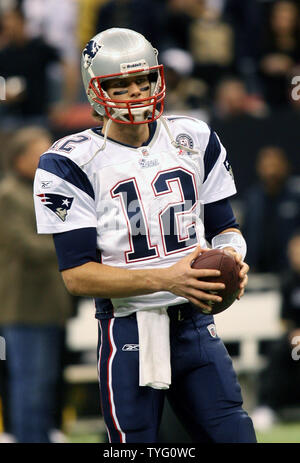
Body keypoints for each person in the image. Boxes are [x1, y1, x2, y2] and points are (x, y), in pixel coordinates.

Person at [33, 27, 256, 443]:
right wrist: (166, 278)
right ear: (96, 91)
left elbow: (226, 227)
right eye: (120, 84)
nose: (137, 92)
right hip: (128, 328)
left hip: (195, 325)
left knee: (237, 436)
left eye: (144, 80)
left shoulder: (194, 137)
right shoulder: (68, 163)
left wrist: (232, 259)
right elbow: (77, 275)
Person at [0, 126, 73, 443]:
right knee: (30, 383)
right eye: (40, 153)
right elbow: (25, 246)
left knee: (45, 384)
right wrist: (75, 249)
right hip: (23, 305)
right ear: (19, 158)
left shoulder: (43, 191)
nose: (48, 158)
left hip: (50, 303)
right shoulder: (7, 196)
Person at [251, 230, 300, 431]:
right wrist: (293, 333)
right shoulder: (288, 281)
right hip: (295, 341)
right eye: (294, 252)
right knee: (279, 351)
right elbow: (284, 319)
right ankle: (267, 407)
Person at [242, 146, 300, 273]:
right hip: (257, 272)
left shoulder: (296, 195)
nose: (271, 172)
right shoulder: (253, 198)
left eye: (275, 165)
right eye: (267, 166)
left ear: (285, 166)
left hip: (291, 272)